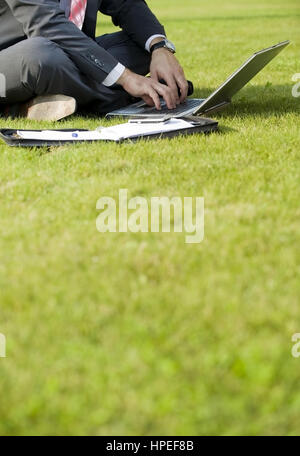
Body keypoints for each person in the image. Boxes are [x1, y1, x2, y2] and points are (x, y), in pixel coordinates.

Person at [0, 0, 189, 120]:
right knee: (42, 56)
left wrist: (159, 47)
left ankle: (56, 97)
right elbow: (47, 25)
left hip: (66, 54)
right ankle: (119, 99)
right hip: (12, 64)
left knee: (141, 46)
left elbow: (127, 5)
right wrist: (126, 78)